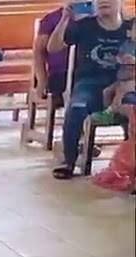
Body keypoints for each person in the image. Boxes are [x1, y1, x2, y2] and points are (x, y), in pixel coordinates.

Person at [47, 0, 134, 178]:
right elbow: (53, 48)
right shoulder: (84, 26)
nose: (103, 2)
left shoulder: (131, 27)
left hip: (123, 85)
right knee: (76, 108)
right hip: (90, 83)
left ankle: (130, 164)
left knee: (133, 109)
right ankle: (68, 160)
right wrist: (64, 19)